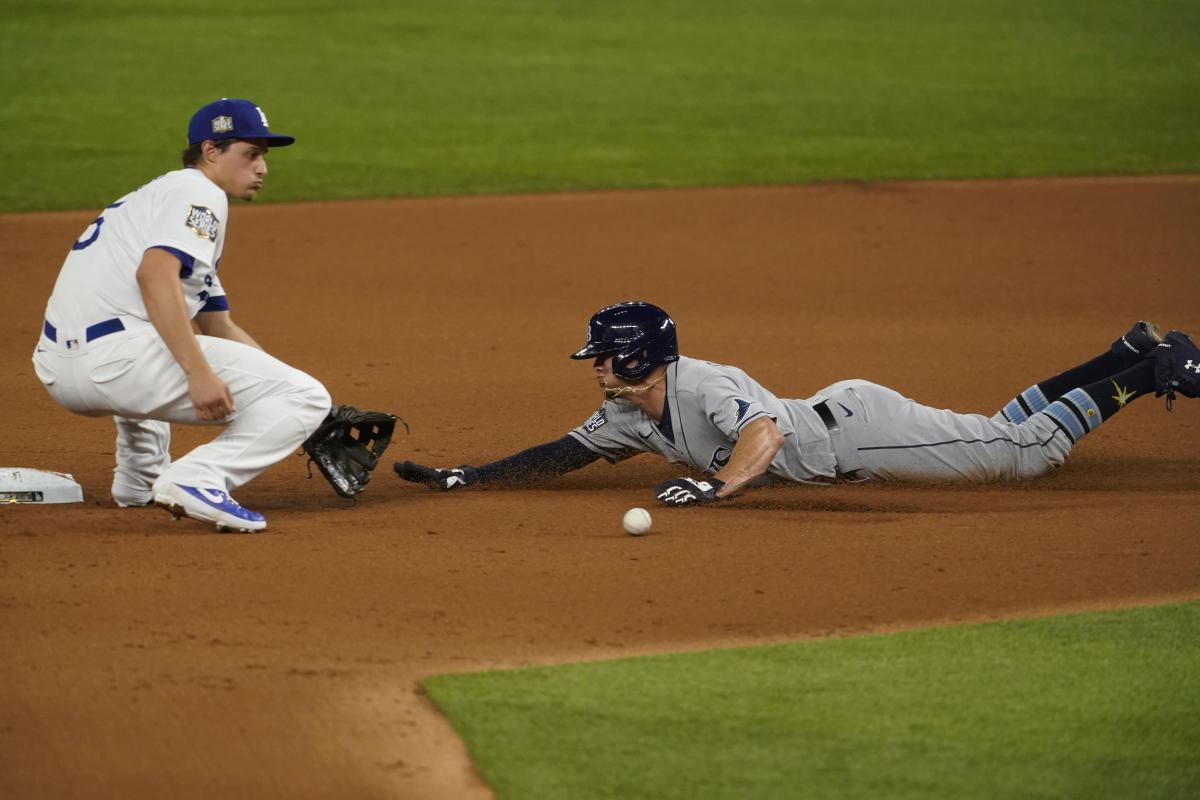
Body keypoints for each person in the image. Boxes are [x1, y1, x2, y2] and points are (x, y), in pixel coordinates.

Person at [394, 301, 1199, 504]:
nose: (595, 366)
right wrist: (473, 475)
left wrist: (720, 487)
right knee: (998, 431)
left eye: (603, 355)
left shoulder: (705, 384)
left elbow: (768, 434)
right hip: (841, 424)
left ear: (638, 354)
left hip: (854, 433)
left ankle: (1154, 368)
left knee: (1025, 455)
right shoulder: (631, 413)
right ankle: (1122, 354)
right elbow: (562, 453)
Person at [32, 98, 331, 532]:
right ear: (211, 151)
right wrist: (199, 374)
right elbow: (155, 277)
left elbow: (219, 325)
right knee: (305, 396)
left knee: (157, 333)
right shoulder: (199, 193)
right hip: (112, 362)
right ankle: (199, 477)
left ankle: (140, 482)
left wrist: (308, 412)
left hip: (61, 370)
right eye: (251, 154)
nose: (263, 169)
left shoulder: (156, 201)